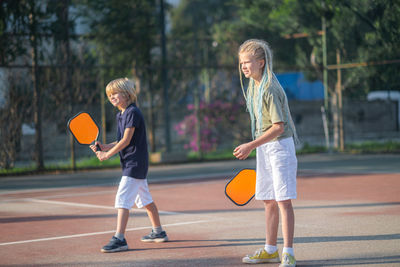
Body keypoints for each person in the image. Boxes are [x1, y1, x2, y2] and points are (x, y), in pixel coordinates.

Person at [233, 39, 298, 267]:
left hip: (280, 148)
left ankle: (288, 253)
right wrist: (256, 145)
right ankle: (271, 250)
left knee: (283, 201)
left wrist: (250, 145)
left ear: (260, 63)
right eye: (241, 63)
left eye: (247, 62)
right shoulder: (254, 87)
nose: (243, 67)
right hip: (265, 148)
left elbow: (279, 126)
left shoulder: (269, 88)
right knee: (269, 200)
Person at [90, 78, 168, 253]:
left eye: (115, 93)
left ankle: (119, 239)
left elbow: (126, 140)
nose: (112, 97)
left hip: (135, 163)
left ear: (127, 94)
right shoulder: (121, 114)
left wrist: (107, 155)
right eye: (109, 95)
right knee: (145, 200)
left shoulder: (133, 112)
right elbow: (121, 140)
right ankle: (159, 232)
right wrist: (104, 146)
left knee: (122, 199)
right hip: (131, 163)